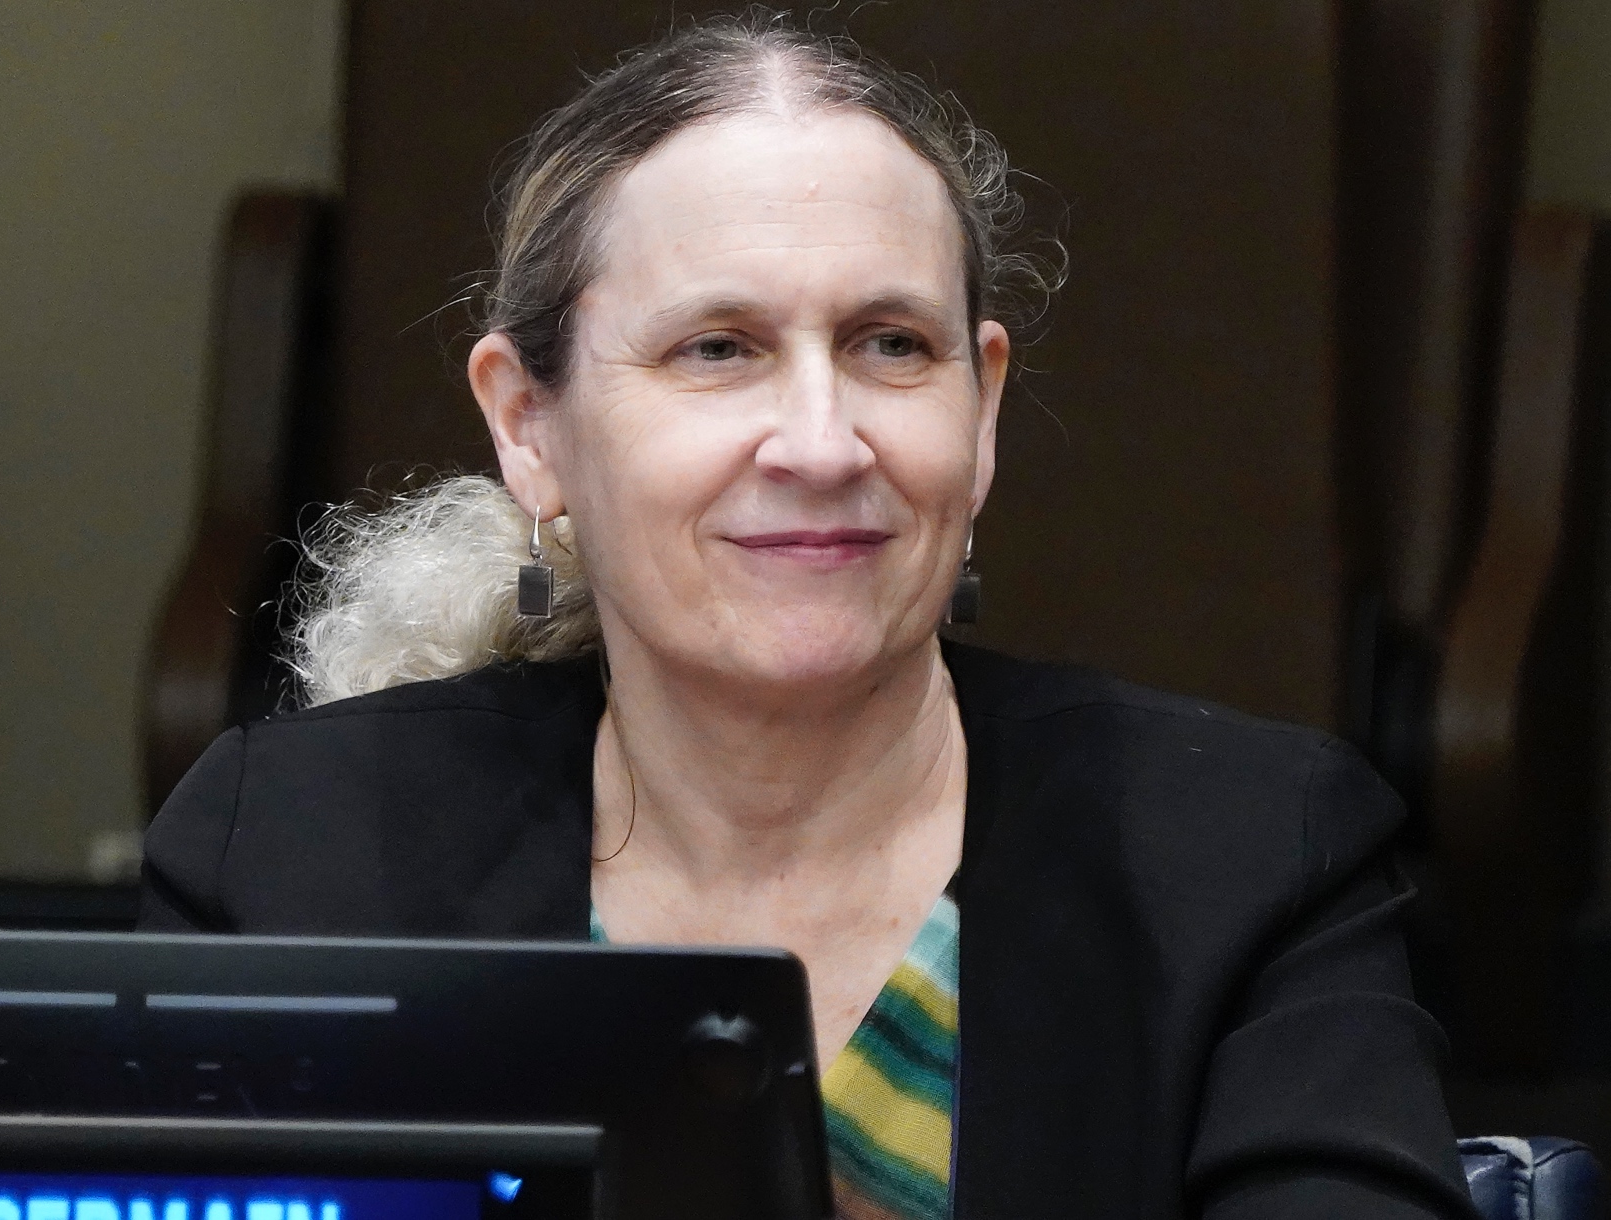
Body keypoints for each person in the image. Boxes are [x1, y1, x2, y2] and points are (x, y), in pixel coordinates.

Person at [140, 15, 1472, 1220]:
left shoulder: (1257, 859)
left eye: (892, 342)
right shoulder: (289, 856)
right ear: (529, 425)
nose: (824, 441)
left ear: (983, 405)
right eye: (717, 348)